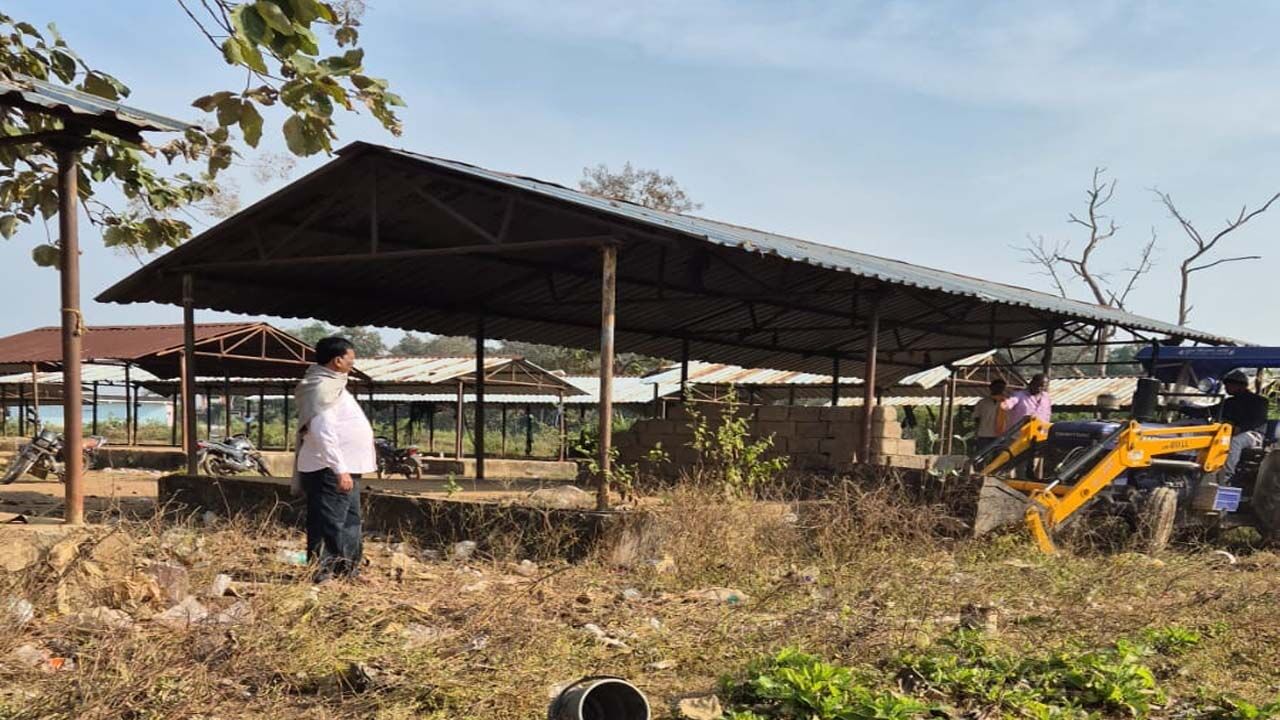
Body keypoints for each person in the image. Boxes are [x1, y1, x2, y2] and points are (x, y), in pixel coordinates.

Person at [294, 336, 374, 582]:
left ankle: (348, 570)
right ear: (338, 361)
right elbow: (323, 433)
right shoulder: (321, 388)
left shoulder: (335, 386)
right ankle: (322, 573)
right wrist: (339, 469)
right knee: (327, 521)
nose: (353, 363)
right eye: (351, 359)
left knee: (350, 521)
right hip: (328, 468)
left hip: (346, 467)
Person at [1211, 370, 1268, 482]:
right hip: (1229, 431)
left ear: (1241, 386)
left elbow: (1259, 420)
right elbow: (1211, 410)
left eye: (1229, 385)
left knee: (1235, 441)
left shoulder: (1259, 401)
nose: (1226, 387)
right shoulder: (1229, 402)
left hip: (1254, 434)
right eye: (1226, 385)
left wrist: (1241, 428)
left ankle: (1226, 477)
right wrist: (1183, 408)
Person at [972, 379, 1009, 448]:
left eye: (1001, 387)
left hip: (1001, 435)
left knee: (1000, 454)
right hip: (984, 434)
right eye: (997, 387)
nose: (999, 389)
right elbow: (976, 418)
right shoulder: (982, 402)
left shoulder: (1007, 403)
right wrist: (976, 432)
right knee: (983, 454)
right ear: (991, 388)